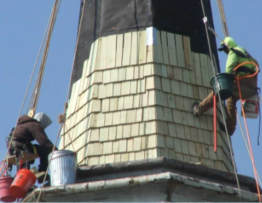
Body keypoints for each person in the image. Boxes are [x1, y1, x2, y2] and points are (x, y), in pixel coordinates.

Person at [192, 37, 259, 136]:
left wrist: (226, 80)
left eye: (225, 49)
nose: (225, 52)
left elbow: (228, 70)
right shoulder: (245, 53)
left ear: (229, 46)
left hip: (243, 83)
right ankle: (230, 128)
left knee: (218, 91)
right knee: (231, 99)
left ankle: (199, 109)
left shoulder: (234, 52)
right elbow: (255, 66)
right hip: (251, 88)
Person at [7, 112, 57, 183]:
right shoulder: (35, 125)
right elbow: (44, 142)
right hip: (21, 146)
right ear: (41, 123)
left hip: (12, 146)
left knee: (27, 155)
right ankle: (42, 174)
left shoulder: (23, 124)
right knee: (45, 151)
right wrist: (55, 150)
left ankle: (22, 180)